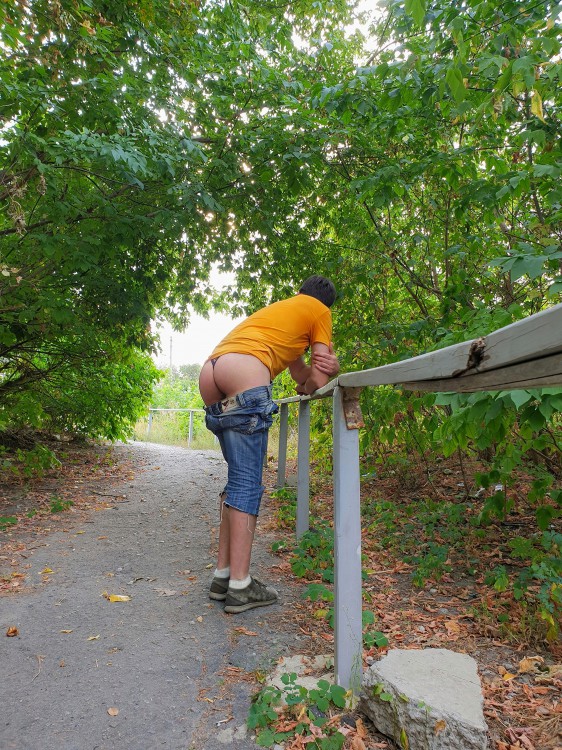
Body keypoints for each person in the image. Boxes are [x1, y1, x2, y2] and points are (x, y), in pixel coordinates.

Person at [199, 275, 339, 613]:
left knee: (236, 482)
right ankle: (241, 585)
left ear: (300, 292)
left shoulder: (285, 313)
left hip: (212, 372)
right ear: (327, 303)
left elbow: (300, 376)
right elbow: (316, 380)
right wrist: (332, 368)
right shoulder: (320, 311)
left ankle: (223, 576)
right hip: (245, 375)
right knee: (247, 484)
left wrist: (314, 373)